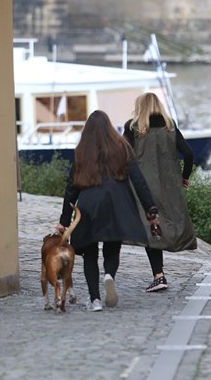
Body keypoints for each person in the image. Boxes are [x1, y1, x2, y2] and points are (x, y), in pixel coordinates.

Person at [56, 110, 159, 312]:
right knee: (112, 246)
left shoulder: (81, 152)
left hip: (88, 205)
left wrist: (64, 220)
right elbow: (139, 181)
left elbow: (71, 188)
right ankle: (109, 275)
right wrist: (151, 209)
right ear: (110, 127)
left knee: (90, 252)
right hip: (116, 203)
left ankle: (94, 300)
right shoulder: (122, 147)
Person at [123, 92, 197, 293]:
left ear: (140, 107)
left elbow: (123, 155)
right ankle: (160, 273)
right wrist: (184, 176)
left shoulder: (133, 127)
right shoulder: (170, 126)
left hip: (142, 186)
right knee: (170, 223)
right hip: (169, 185)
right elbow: (189, 153)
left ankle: (159, 275)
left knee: (151, 229)